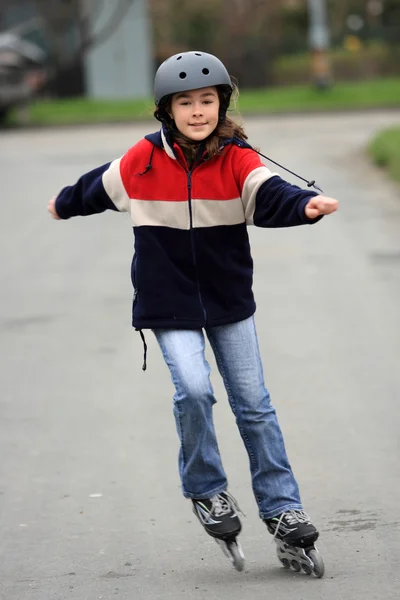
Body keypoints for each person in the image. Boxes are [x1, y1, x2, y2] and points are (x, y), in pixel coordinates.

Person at [48, 51, 338, 571]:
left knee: (253, 404)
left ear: (221, 104)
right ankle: (208, 491)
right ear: (167, 110)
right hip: (168, 303)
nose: (198, 111)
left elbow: (268, 192)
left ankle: (283, 510)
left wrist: (305, 206)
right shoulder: (142, 159)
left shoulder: (236, 157)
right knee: (195, 390)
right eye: (186, 103)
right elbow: (98, 186)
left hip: (229, 301)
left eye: (207, 100)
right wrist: (64, 202)